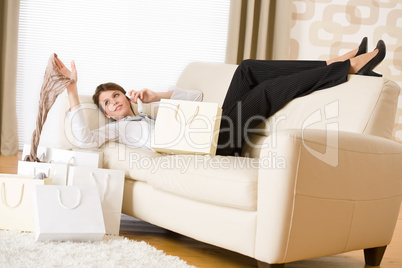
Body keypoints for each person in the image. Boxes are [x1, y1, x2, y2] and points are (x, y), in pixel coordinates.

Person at [56, 37, 386, 156]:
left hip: (213, 132)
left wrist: (157, 95)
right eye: (107, 104)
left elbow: (195, 96)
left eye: (116, 96)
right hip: (209, 147)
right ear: (110, 115)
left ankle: (334, 63)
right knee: (266, 91)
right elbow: (84, 140)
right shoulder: (118, 130)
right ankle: (348, 67)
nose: (114, 102)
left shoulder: (148, 112)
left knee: (247, 69)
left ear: (126, 98)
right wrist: (72, 89)